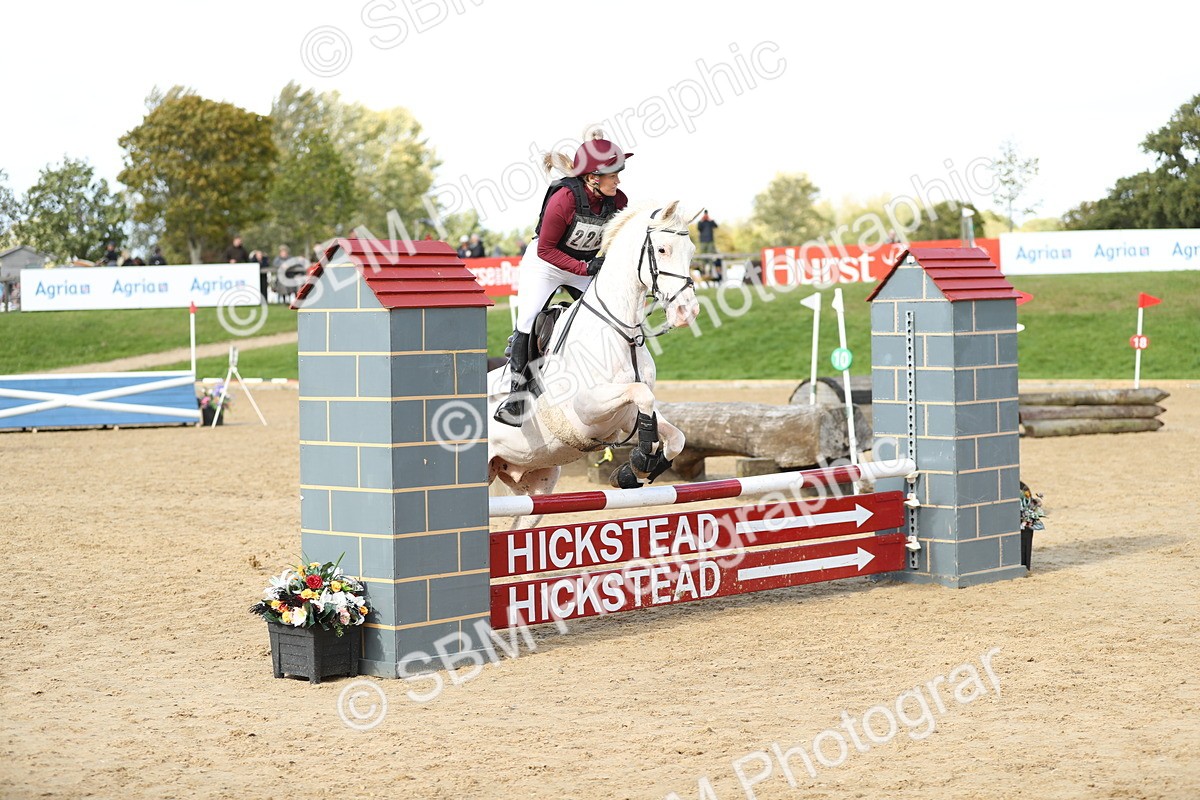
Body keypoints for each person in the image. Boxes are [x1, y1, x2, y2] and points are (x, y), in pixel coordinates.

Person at [493, 132, 632, 426]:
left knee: (609, 314)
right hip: (545, 264)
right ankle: (516, 397)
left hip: (583, 265)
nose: (618, 181)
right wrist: (584, 269)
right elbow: (545, 249)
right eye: (613, 175)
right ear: (593, 177)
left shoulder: (618, 200)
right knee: (528, 319)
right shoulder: (564, 199)